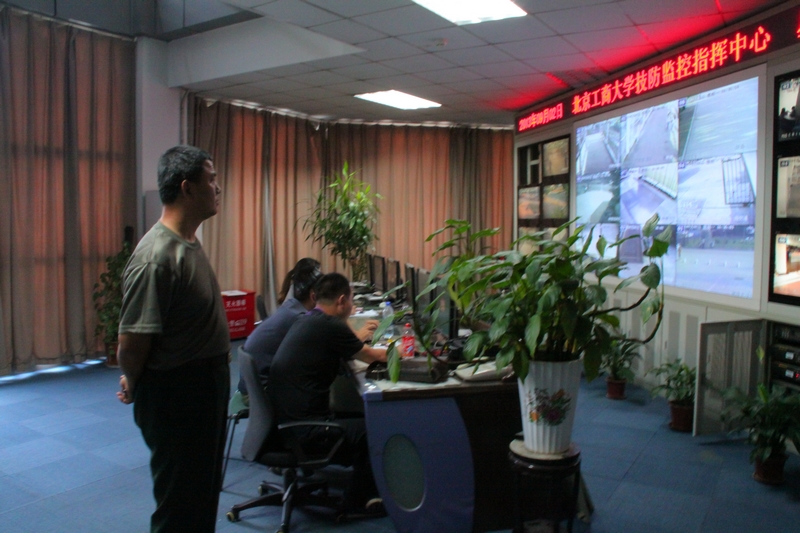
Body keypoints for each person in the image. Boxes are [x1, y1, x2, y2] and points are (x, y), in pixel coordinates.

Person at [115, 145, 230, 533]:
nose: (217, 188)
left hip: (203, 387)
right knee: (180, 506)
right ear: (187, 188)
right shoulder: (157, 256)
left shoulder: (187, 241)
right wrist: (134, 380)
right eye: (211, 180)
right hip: (178, 396)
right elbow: (132, 344)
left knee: (202, 496)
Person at [268, 272, 387, 515]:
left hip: (287, 424)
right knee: (375, 428)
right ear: (342, 300)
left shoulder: (309, 319)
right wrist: (405, 351)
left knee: (362, 417)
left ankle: (367, 489)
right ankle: (359, 500)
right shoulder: (330, 326)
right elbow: (372, 357)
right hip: (307, 431)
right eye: (351, 301)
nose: (352, 306)